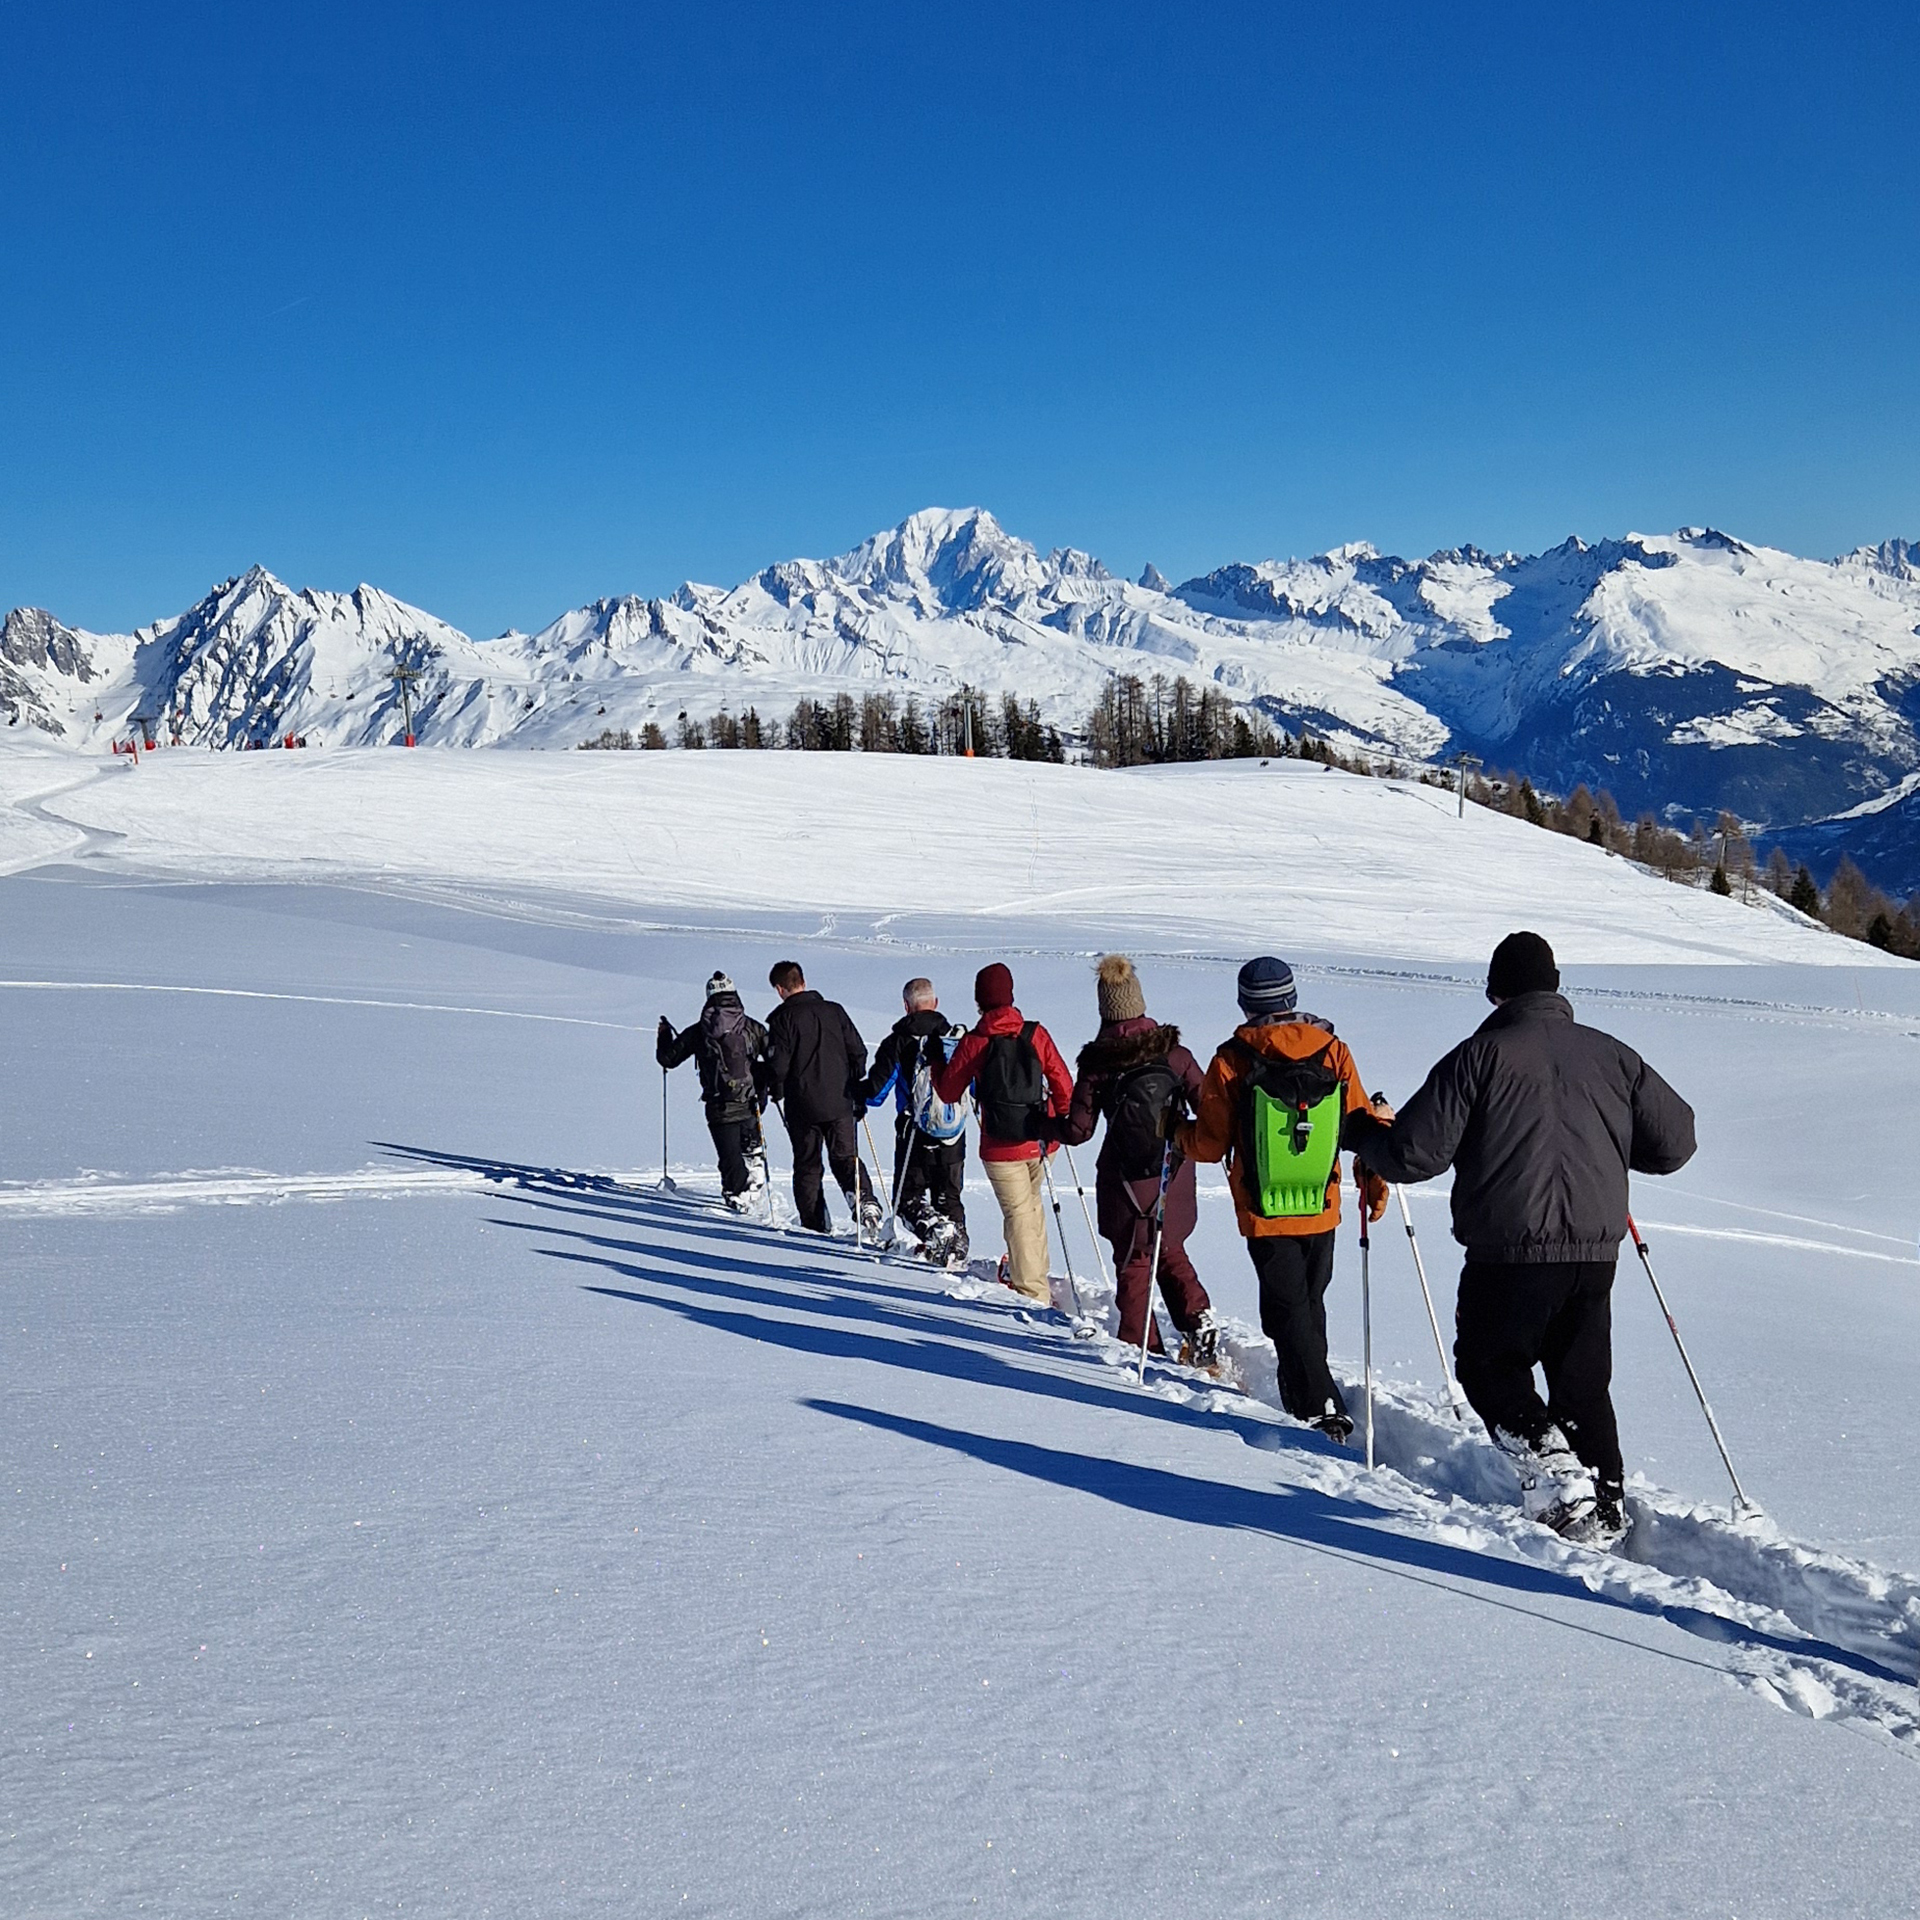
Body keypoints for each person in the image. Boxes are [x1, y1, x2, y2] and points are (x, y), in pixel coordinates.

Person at [1345, 930, 1695, 1546]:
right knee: (1581, 1380)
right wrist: (1607, 1142)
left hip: (1508, 1248)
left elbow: (1413, 1152)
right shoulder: (1614, 1056)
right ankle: (1605, 1506)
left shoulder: (1478, 1057)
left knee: (1487, 1367)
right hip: (1594, 1251)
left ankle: (1554, 1470)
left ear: (1495, 991)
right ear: (1556, 987)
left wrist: (1362, 1136)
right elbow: (1676, 1142)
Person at [1174, 956, 1385, 1441]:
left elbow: (1209, 1144)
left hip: (1264, 1207)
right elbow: (1354, 1124)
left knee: (1286, 1310)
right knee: (1309, 1302)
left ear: (1246, 1004)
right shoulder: (1334, 1050)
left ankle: (1320, 1410)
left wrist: (1176, 1134)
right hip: (1321, 1199)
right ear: (1291, 998)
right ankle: (1305, 1395)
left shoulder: (1232, 1058)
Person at [1051, 954, 1219, 1364]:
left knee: (1133, 1262)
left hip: (1123, 1179)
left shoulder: (1098, 1064)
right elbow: (1208, 1105)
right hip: (1174, 1172)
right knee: (1170, 1249)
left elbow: (1079, 1130)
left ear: (1104, 1008)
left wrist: (1041, 1123)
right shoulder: (1175, 1055)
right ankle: (1199, 1321)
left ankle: (1143, 1349)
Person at [931, 963, 1073, 1306]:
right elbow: (1063, 1085)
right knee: (1030, 1208)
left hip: (1000, 1145)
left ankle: (1032, 1292)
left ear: (980, 1000)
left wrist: (937, 1063)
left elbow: (949, 1092)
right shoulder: (1035, 1034)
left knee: (1020, 1213)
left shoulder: (977, 1041)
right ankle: (1033, 1272)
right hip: (1041, 1139)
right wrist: (1061, 1121)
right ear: (1010, 995)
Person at [763, 959, 884, 1237]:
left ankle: (814, 1226)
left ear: (780, 989)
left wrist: (774, 1086)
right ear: (803, 982)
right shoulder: (834, 1011)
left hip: (802, 1104)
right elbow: (859, 1052)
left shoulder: (782, 1019)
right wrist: (853, 1083)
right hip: (840, 1101)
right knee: (844, 1156)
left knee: (807, 1165)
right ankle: (863, 1198)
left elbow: (778, 1066)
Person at [860, 977, 971, 1267]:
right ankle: (956, 1251)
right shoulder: (956, 1039)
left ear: (906, 1006)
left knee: (907, 1198)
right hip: (953, 1132)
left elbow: (875, 1093)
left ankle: (935, 1233)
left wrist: (853, 1093)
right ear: (935, 1003)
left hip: (914, 1134)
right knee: (949, 1197)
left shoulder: (897, 1042)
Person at [655, 972, 770, 1210]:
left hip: (719, 1106)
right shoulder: (752, 1027)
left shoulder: (699, 1031)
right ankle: (754, 1174)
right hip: (750, 1102)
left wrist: (664, 1037)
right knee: (749, 1149)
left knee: (729, 1158)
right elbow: (774, 1058)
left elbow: (668, 1059)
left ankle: (736, 1196)